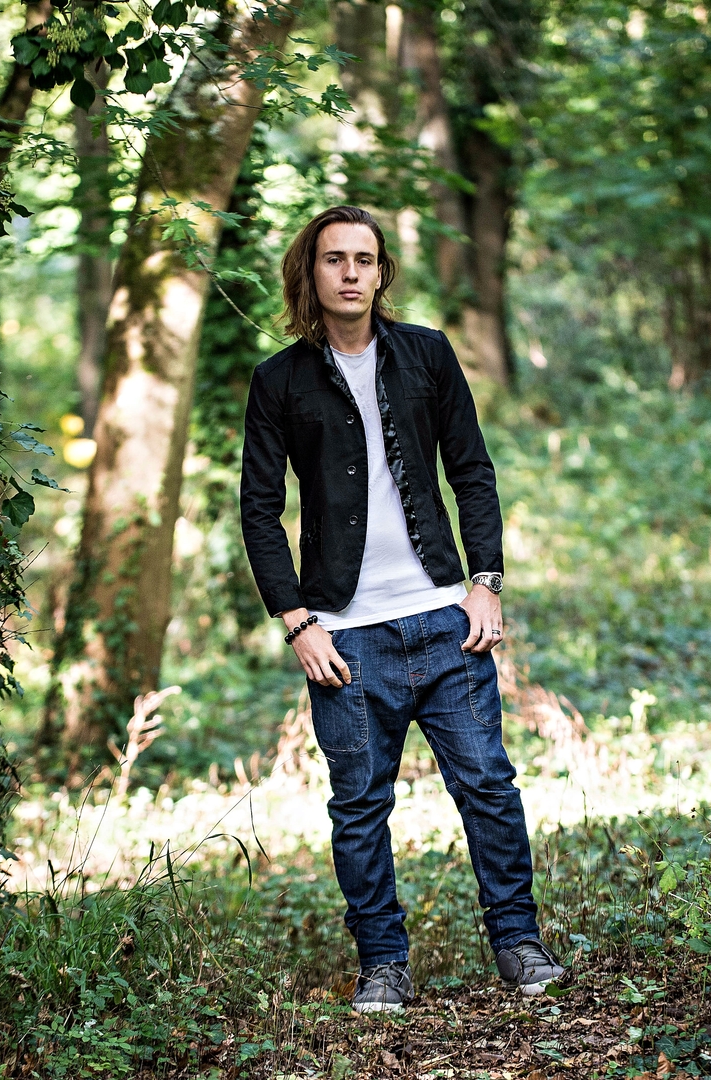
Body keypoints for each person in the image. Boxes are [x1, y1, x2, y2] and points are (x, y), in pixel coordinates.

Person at [239, 205, 565, 1014]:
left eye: (365, 259)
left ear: (382, 271)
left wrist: (485, 581)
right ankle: (383, 964)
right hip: (344, 638)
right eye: (334, 259)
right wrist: (297, 621)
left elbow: (472, 471)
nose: (350, 272)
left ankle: (519, 943)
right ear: (310, 271)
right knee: (359, 808)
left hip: (446, 620)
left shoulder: (426, 354)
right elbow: (258, 510)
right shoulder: (279, 380)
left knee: (488, 785)